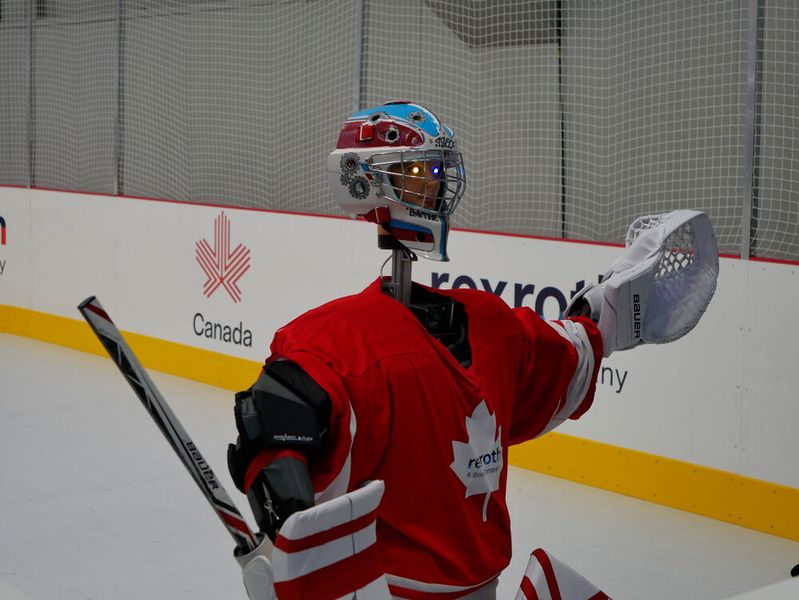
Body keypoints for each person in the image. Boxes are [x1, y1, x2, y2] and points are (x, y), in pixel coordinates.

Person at [226, 101, 719, 600]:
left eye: (439, 173)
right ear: (365, 180)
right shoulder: (340, 340)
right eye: (417, 174)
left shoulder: (490, 325)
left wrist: (607, 310)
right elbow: (277, 427)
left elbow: (564, 352)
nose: (436, 188)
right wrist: (288, 521)